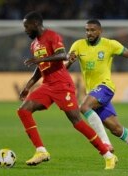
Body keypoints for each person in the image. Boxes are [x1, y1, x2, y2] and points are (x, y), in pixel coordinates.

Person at [17, 11, 117, 170]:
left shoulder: (52, 36)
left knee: (77, 122)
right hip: (48, 85)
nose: (25, 30)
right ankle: (41, 151)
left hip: (62, 85)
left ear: (35, 24)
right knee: (23, 111)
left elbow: (63, 55)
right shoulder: (34, 44)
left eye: (27, 26)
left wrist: (40, 59)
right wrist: (28, 86)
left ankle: (108, 155)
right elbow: (40, 67)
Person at [66, 19, 128, 165]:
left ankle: (105, 143)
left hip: (106, 86)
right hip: (93, 92)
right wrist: (69, 61)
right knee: (116, 129)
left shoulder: (110, 44)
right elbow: (66, 65)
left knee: (84, 107)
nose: (89, 33)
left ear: (100, 31)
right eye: (87, 30)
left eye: (92, 30)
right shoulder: (78, 45)